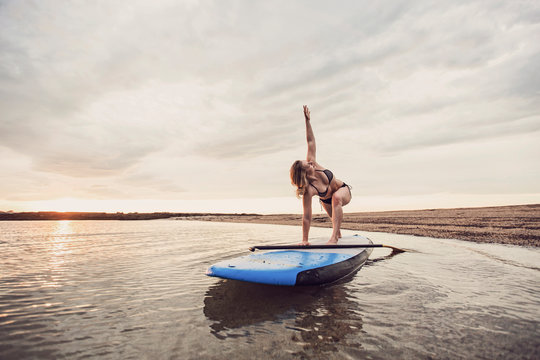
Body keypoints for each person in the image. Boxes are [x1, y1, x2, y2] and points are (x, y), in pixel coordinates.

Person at [290, 105, 352, 245]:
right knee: (336, 222)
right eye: (308, 165)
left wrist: (307, 121)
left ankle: (334, 238)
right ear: (304, 173)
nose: (310, 163)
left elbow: (310, 141)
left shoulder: (313, 162)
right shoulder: (309, 190)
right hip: (326, 200)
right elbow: (306, 217)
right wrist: (304, 240)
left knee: (336, 198)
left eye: (309, 162)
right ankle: (338, 234)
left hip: (342, 191)